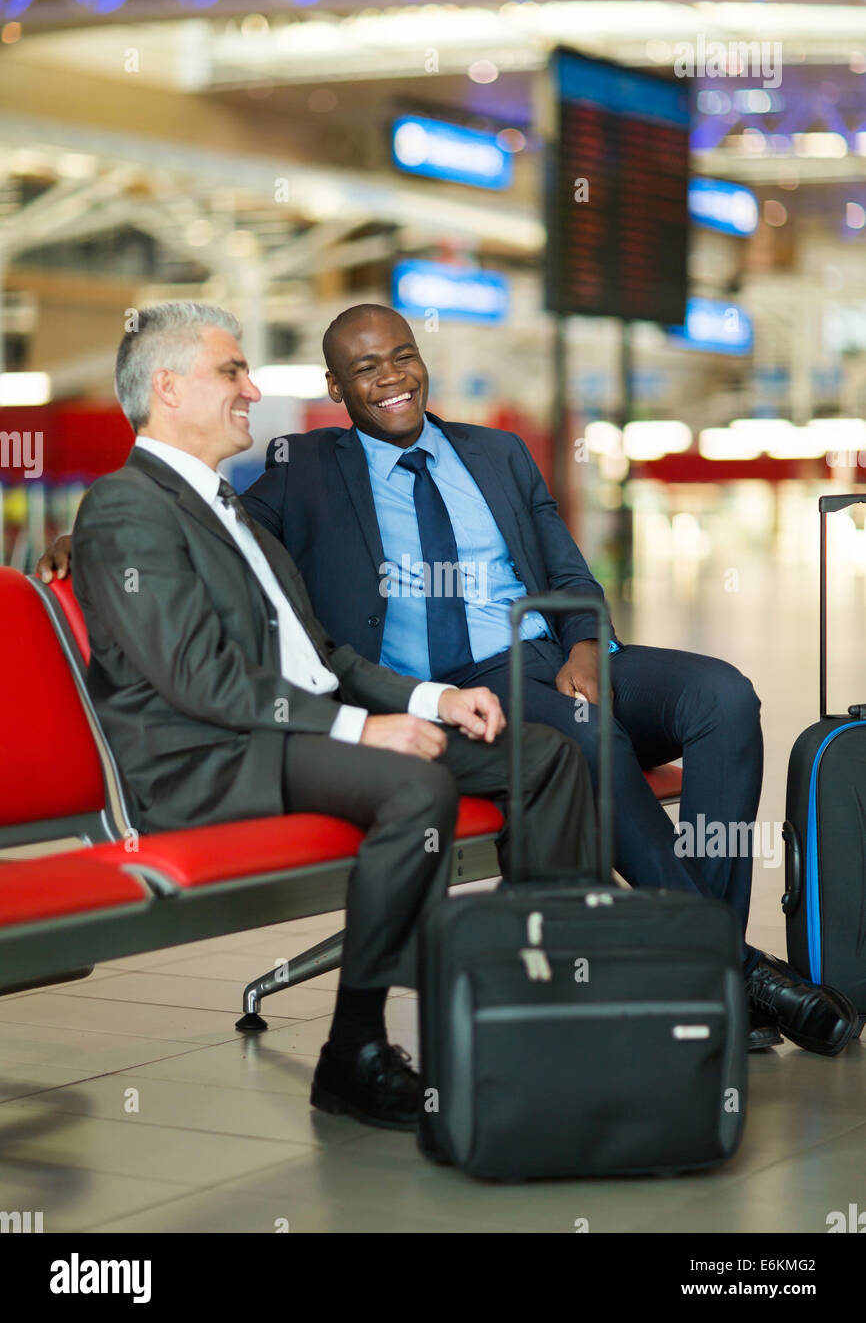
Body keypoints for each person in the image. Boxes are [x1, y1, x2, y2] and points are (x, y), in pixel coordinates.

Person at [40, 302, 860, 1060]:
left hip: (552, 654)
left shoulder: (496, 452)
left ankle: (709, 956)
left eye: (403, 357)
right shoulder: (304, 469)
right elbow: (191, 512)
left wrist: (584, 639)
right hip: (465, 677)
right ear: (334, 388)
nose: (391, 376)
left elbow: (569, 574)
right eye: (365, 369)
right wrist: (82, 536)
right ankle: (732, 972)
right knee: (579, 737)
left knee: (723, 696)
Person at [64, 301, 596, 1133]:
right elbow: (197, 677)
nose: (252, 388)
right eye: (232, 372)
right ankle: (353, 1050)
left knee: (544, 753)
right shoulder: (127, 509)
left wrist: (433, 700)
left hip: (290, 735)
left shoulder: (231, 510)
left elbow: (327, 658)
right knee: (413, 785)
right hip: (211, 756)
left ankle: (541, 1005)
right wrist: (356, 728)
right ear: (167, 388)